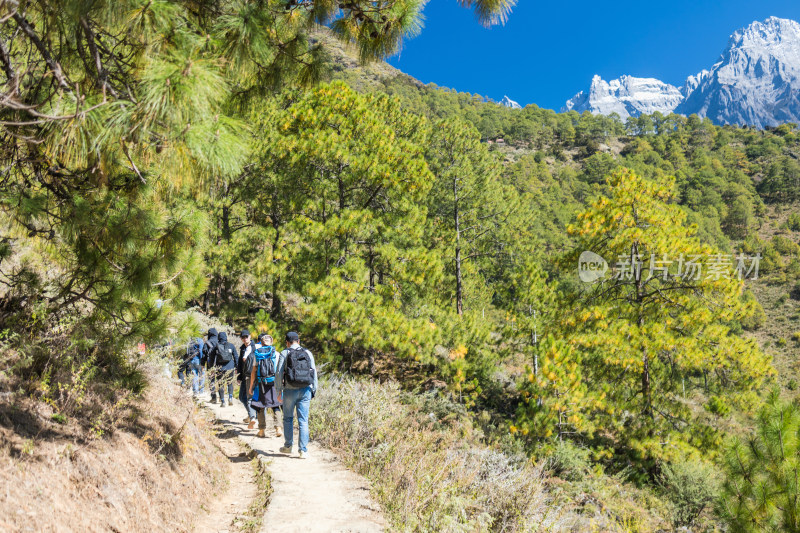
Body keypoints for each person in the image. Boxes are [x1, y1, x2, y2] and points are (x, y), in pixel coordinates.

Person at [276, 331, 317, 458]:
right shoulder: (308, 353)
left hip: (289, 390)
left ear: (287, 342)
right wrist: (313, 389)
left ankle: (288, 446)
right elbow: (313, 371)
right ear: (298, 341)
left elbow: (278, 373)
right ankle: (303, 450)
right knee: (303, 421)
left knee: (288, 418)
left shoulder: (285, 352)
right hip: (305, 390)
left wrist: (278, 390)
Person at [248, 334, 282, 438]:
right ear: (271, 342)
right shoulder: (276, 353)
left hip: (261, 383)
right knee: (275, 405)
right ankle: (278, 428)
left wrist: (251, 386)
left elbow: (253, 371)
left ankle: (262, 430)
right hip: (274, 383)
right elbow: (281, 371)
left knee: (260, 405)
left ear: (261, 343)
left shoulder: (257, 353)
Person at [237, 329, 257, 428]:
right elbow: (240, 364)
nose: (245, 339)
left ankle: (252, 416)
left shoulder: (254, 347)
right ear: (241, 338)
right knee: (241, 397)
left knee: (250, 397)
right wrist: (239, 377)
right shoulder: (242, 348)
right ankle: (251, 414)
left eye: (247, 337)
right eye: (243, 337)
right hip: (245, 376)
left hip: (252, 376)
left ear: (250, 337)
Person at [212, 331, 237, 407]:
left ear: (218, 338)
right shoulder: (231, 346)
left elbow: (212, 358)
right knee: (230, 383)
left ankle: (223, 401)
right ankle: (230, 398)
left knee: (221, 384)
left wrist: (212, 368)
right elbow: (236, 356)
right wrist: (236, 366)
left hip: (220, 368)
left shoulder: (216, 346)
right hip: (230, 367)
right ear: (226, 337)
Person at [201, 328, 219, 403]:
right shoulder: (219, 341)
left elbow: (204, 354)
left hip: (210, 364)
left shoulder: (207, 342)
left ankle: (213, 396)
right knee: (220, 379)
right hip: (220, 364)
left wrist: (202, 364)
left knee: (211, 380)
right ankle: (222, 398)